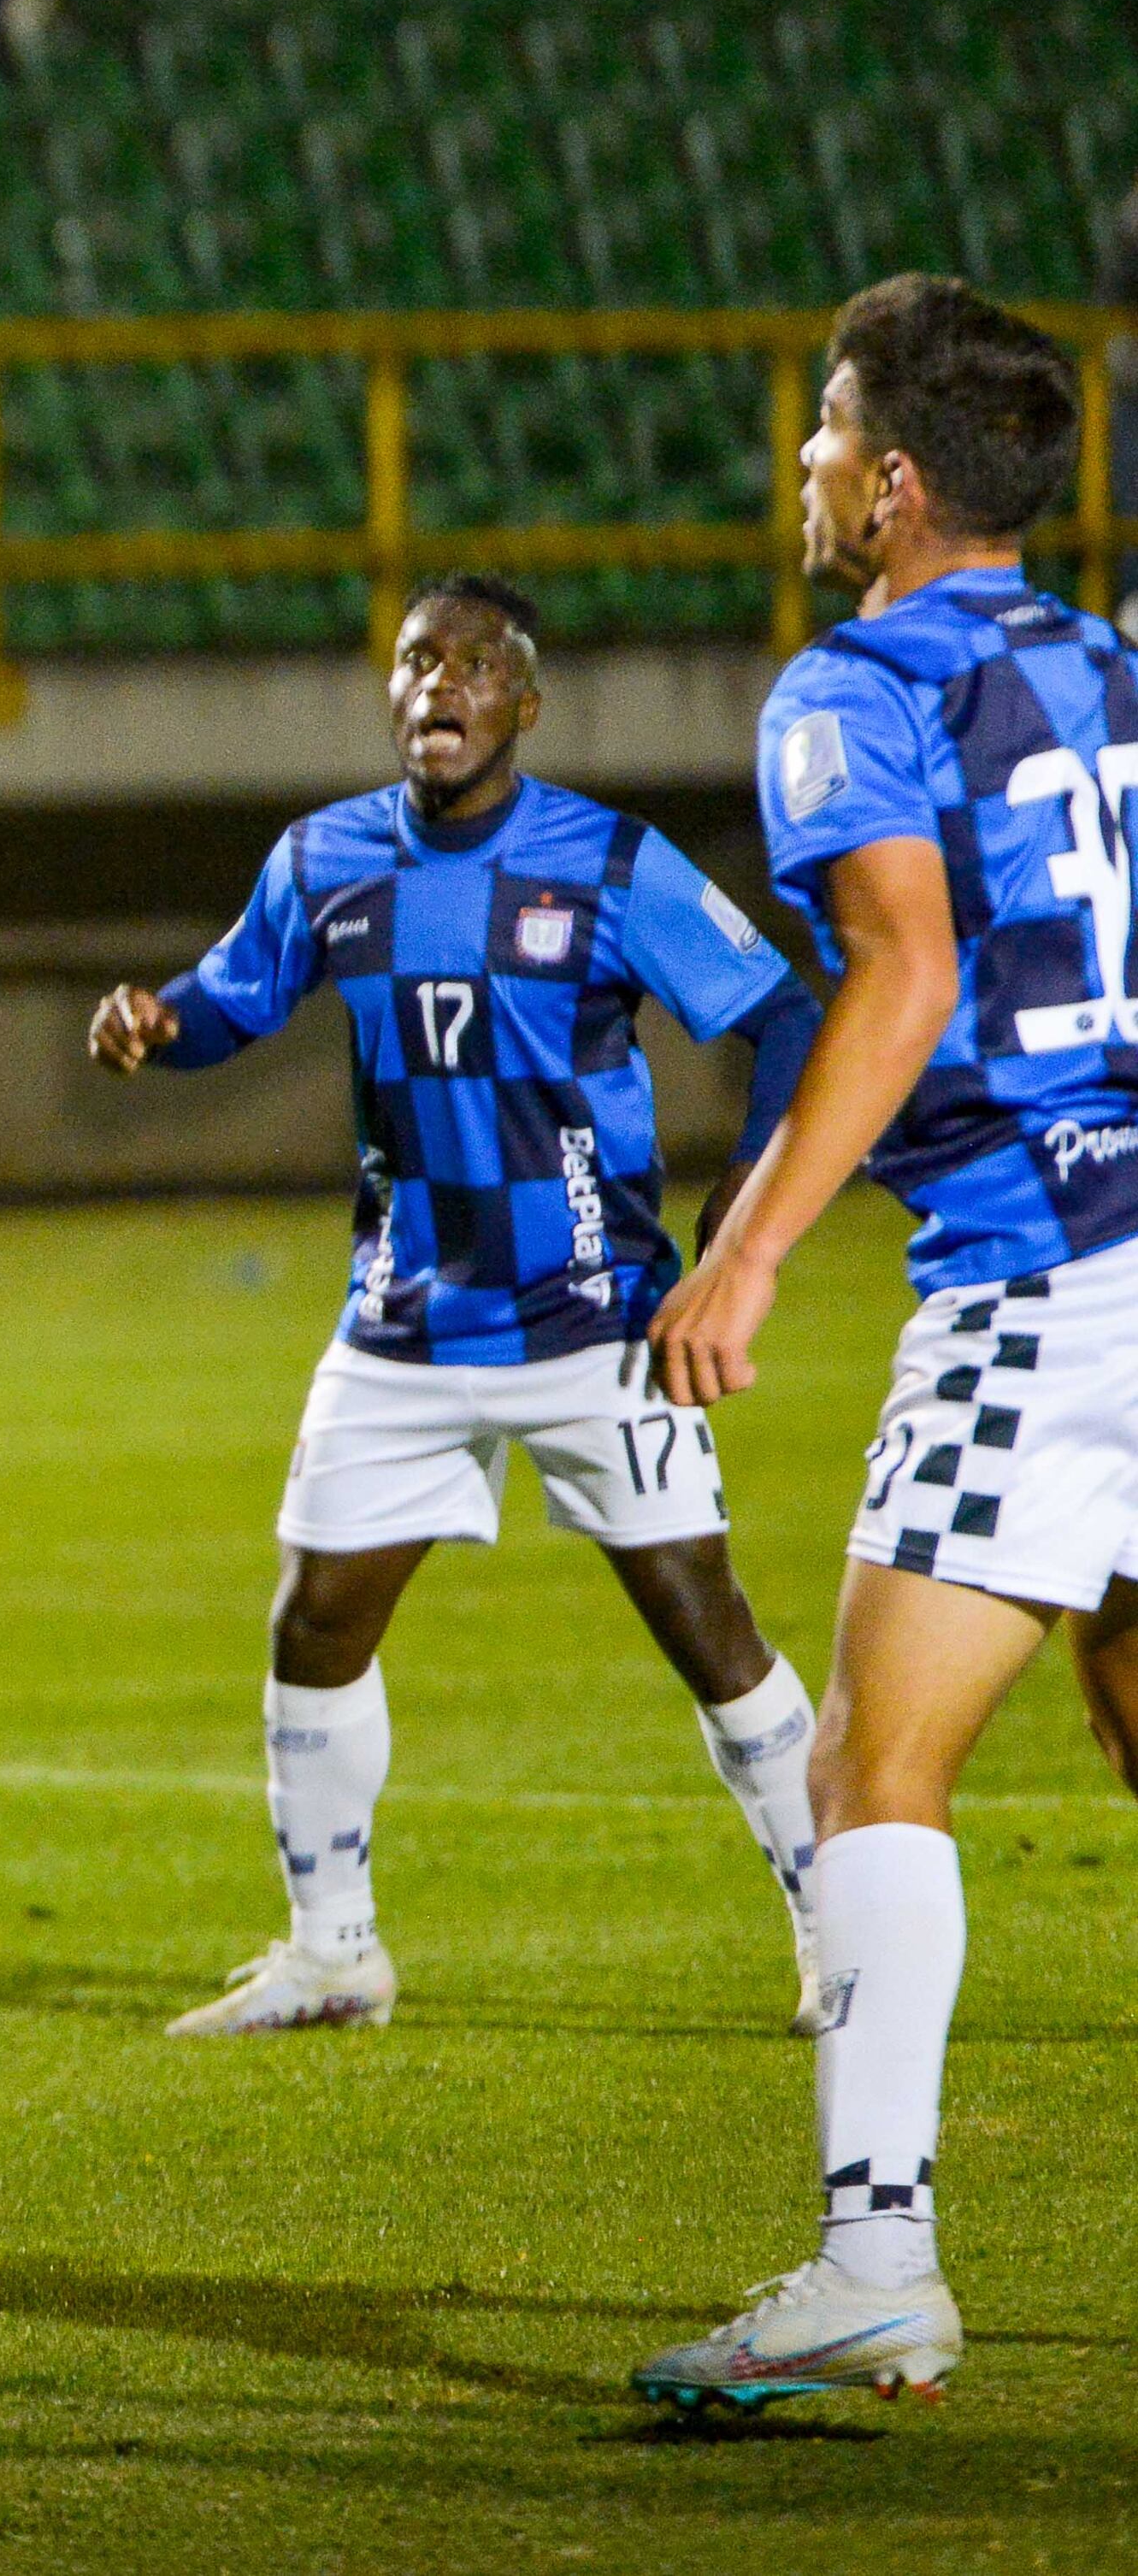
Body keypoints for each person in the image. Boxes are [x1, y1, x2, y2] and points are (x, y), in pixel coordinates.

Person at [91, 575, 830, 2037]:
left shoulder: (609, 863)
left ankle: (839, 1930)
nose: (441, 685)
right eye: (419, 660)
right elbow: (231, 999)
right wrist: (159, 1023)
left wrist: (736, 1222)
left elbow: (782, 1016)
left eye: (474, 665)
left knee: (705, 1623)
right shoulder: (326, 862)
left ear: (524, 703)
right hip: (403, 1322)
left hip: (593, 1321)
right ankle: (334, 1953)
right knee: (316, 1623)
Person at [630, 278, 1120, 2414]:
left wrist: (740, 1250)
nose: (809, 464)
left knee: (869, 1768)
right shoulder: (1112, 663)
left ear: (896, 481)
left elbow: (903, 973)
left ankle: (874, 2261)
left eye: (829, 429)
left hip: (1040, 1277)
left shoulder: (852, 685)